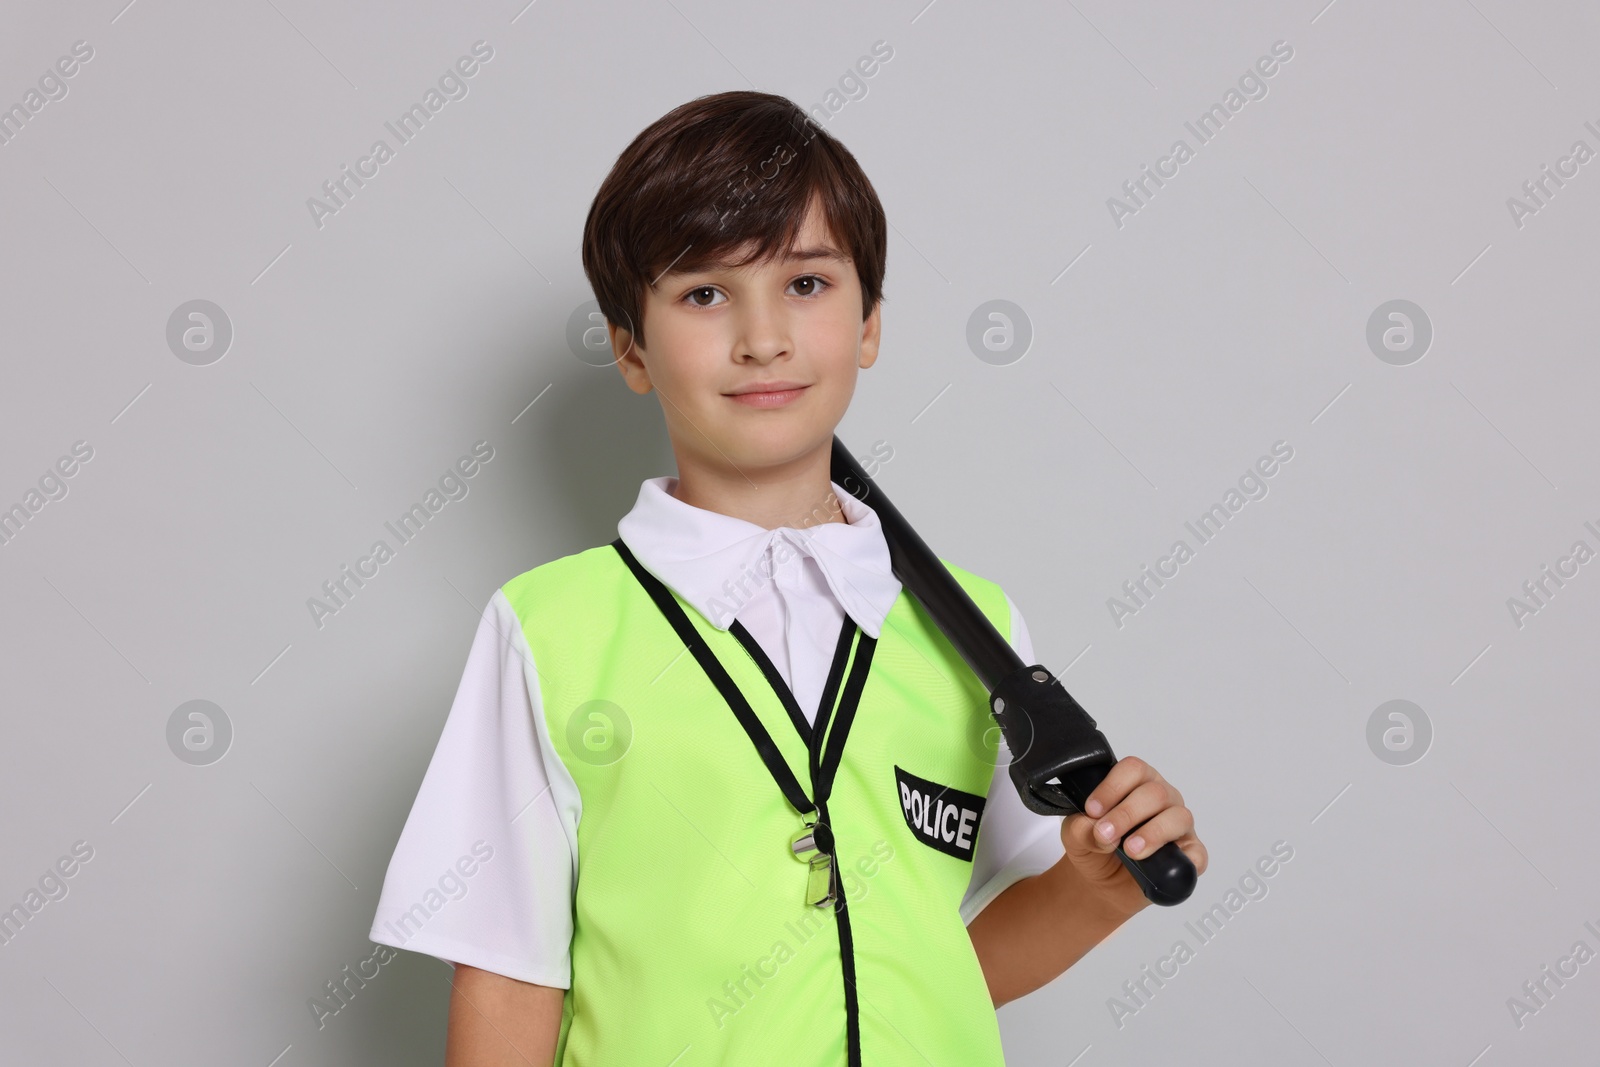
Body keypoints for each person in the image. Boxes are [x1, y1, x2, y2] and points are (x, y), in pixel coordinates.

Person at [370, 89, 1206, 1066]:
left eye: (806, 284)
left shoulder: (974, 627)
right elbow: (507, 974)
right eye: (704, 293)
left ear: (869, 325)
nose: (762, 336)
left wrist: (1098, 887)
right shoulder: (550, 628)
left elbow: (941, 967)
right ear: (631, 347)